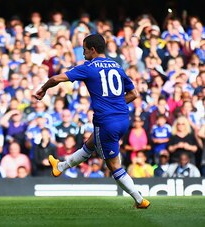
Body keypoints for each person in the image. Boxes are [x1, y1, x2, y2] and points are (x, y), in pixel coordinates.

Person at [34, 34, 150, 208]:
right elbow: (134, 94)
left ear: (93, 50)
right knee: (91, 143)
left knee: (114, 166)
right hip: (123, 120)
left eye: (84, 49)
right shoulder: (117, 66)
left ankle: (139, 200)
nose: (83, 53)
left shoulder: (89, 67)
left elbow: (55, 79)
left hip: (106, 121)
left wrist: (43, 89)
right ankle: (61, 166)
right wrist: (114, 103)